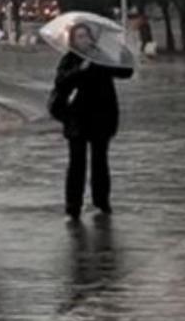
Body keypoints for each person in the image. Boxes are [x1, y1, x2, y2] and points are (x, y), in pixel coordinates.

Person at [49, 23, 134, 220]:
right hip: (76, 118)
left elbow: (125, 72)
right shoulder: (69, 59)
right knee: (77, 163)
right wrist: (80, 70)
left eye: (86, 36)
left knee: (100, 162)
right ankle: (73, 207)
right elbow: (61, 83)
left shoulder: (101, 57)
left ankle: (101, 203)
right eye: (79, 37)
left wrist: (122, 52)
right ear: (73, 40)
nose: (83, 40)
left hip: (102, 117)